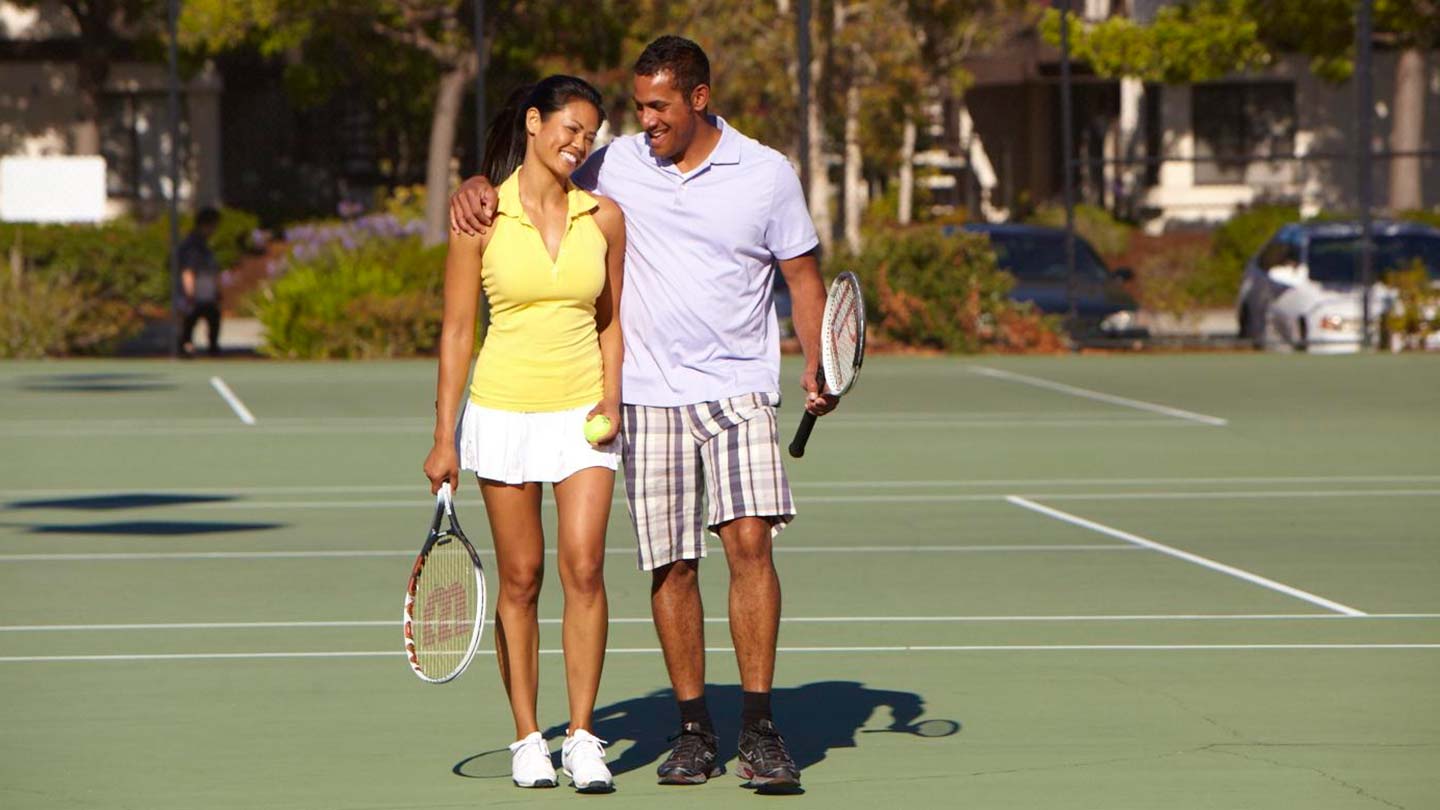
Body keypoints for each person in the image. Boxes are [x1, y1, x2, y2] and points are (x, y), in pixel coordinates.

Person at [451, 36, 837, 792]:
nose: (645, 120)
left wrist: (818, 355)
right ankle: (695, 729)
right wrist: (473, 180)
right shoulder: (618, 161)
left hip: (739, 388)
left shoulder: (766, 174)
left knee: (750, 541)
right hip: (648, 398)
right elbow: (536, 178)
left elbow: (802, 274)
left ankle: (759, 728)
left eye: (659, 106)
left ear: (698, 98)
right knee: (672, 566)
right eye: (639, 107)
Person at [423, 75, 626, 794]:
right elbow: (455, 333)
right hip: (503, 412)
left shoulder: (603, 217)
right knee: (521, 578)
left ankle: (581, 737)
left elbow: (611, 321)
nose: (578, 143)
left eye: (590, 135)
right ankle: (526, 737)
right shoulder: (480, 216)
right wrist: (444, 435)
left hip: (583, 417)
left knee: (586, 568)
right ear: (535, 124)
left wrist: (613, 397)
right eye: (569, 128)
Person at [176, 207, 223, 357]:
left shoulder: (204, 245)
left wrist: (215, 290)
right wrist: (190, 293)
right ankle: (185, 346)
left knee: (213, 318)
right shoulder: (192, 246)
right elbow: (188, 271)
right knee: (189, 321)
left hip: (206, 293)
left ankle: (212, 348)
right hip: (195, 294)